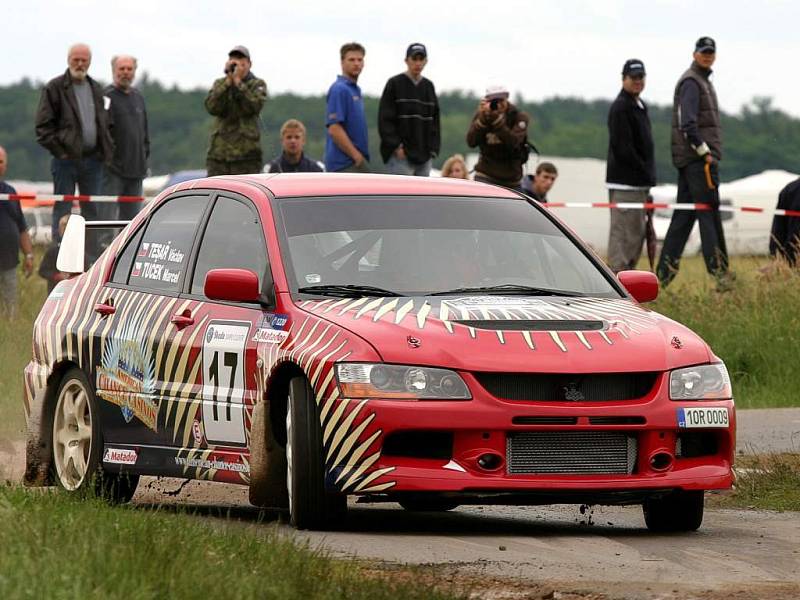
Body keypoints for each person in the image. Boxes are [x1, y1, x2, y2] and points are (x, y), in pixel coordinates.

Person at [656, 37, 731, 288]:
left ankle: (662, 278)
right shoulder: (692, 81)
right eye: (704, 52)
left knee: (684, 217)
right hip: (698, 161)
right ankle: (721, 276)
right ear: (695, 54)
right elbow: (687, 124)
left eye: (711, 52)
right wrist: (705, 152)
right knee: (709, 212)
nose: (708, 55)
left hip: (692, 161)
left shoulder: (702, 81)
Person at [35, 43, 113, 242]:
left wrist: (105, 151)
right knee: (63, 208)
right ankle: (58, 254)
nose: (80, 64)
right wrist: (61, 152)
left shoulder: (96, 88)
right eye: (76, 60)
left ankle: (93, 258)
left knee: (93, 209)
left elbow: (105, 123)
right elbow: (43, 128)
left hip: (93, 161)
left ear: (90, 62)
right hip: (65, 161)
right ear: (68, 60)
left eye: (84, 60)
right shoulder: (54, 88)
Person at [605, 59, 656, 273]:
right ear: (623, 79)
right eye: (633, 78)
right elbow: (623, 148)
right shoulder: (621, 107)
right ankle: (617, 282)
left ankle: (627, 282)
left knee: (636, 237)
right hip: (625, 185)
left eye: (641, 77)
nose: (638, 82)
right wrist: (644, 173)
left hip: (639, 186)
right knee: (623, 239)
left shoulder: (639, 105)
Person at [378, 43, 440, 176]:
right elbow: (385, 119)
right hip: (401, 156)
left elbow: (435, 121)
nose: (418, 63)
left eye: (421, 59)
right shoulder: (394, 83)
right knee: (401, 195)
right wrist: (396, 146)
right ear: (407, 60)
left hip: (424, 156)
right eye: (414, 59)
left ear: (426, 61)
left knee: (423, 196)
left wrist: (433, 149)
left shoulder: (429, 86)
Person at [205, 45, 267, 176]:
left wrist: (239, 84)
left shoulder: (257, 84)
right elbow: (212, 106)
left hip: (246, 156)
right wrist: (228, 82)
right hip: (219, 155)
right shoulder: (220, 84)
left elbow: (254, 106)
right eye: (233, 59)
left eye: (240, 59)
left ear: (249, 64)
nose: (236, 62)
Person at [103, 54, 150, 220]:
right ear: (114, 71)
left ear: (134, 71)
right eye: (121, 69)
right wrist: (111, 162)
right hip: (113, 173)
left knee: (131, 224)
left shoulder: (138, 97)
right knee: (106, 221)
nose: (125, 72)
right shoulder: (106, 97)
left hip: (136, 172)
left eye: (129, 69)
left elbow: (144, 134)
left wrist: (144, 157)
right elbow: (103, 134)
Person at [466, 85, 530, 190]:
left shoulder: (518, 117)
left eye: (501, 100)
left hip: (511, 179)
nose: (498, 105)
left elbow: (514, 143)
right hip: (486, 175)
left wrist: (498, 123)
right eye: (494, 101)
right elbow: (471, 142)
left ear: (507, 99)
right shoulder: (483, 116)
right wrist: (482, 120)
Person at [325, 42, 370, 173]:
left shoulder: (355, 90)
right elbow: (334, 128)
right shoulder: (339, 89)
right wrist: (356, 156)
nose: (356, 63)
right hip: (344, 164)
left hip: (353, 162)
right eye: (351, 59)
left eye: (360, 60)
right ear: (342, 62)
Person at [0, 146, 34, 317]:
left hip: (9, 261)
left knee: (11, 305)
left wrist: (28, 255)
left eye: (1, 162)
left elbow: (22, 227)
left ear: (5, 165)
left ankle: (10, 326)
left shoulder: (11, 192)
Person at [769, 177, 800, 266]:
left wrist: (775, 254)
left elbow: (777, 230)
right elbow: (778, 229)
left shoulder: (790, 189)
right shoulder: (790, 190)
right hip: (792, 256)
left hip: (791, 256)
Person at [39, 215, 71, 292]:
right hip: (55, 291)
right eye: (64, 228)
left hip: (73, 290)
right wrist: (55, 276)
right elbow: (43, 270)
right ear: (60, 231)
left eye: (68, 229)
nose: (66, 231)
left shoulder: (80, 251)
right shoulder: (53, 251)